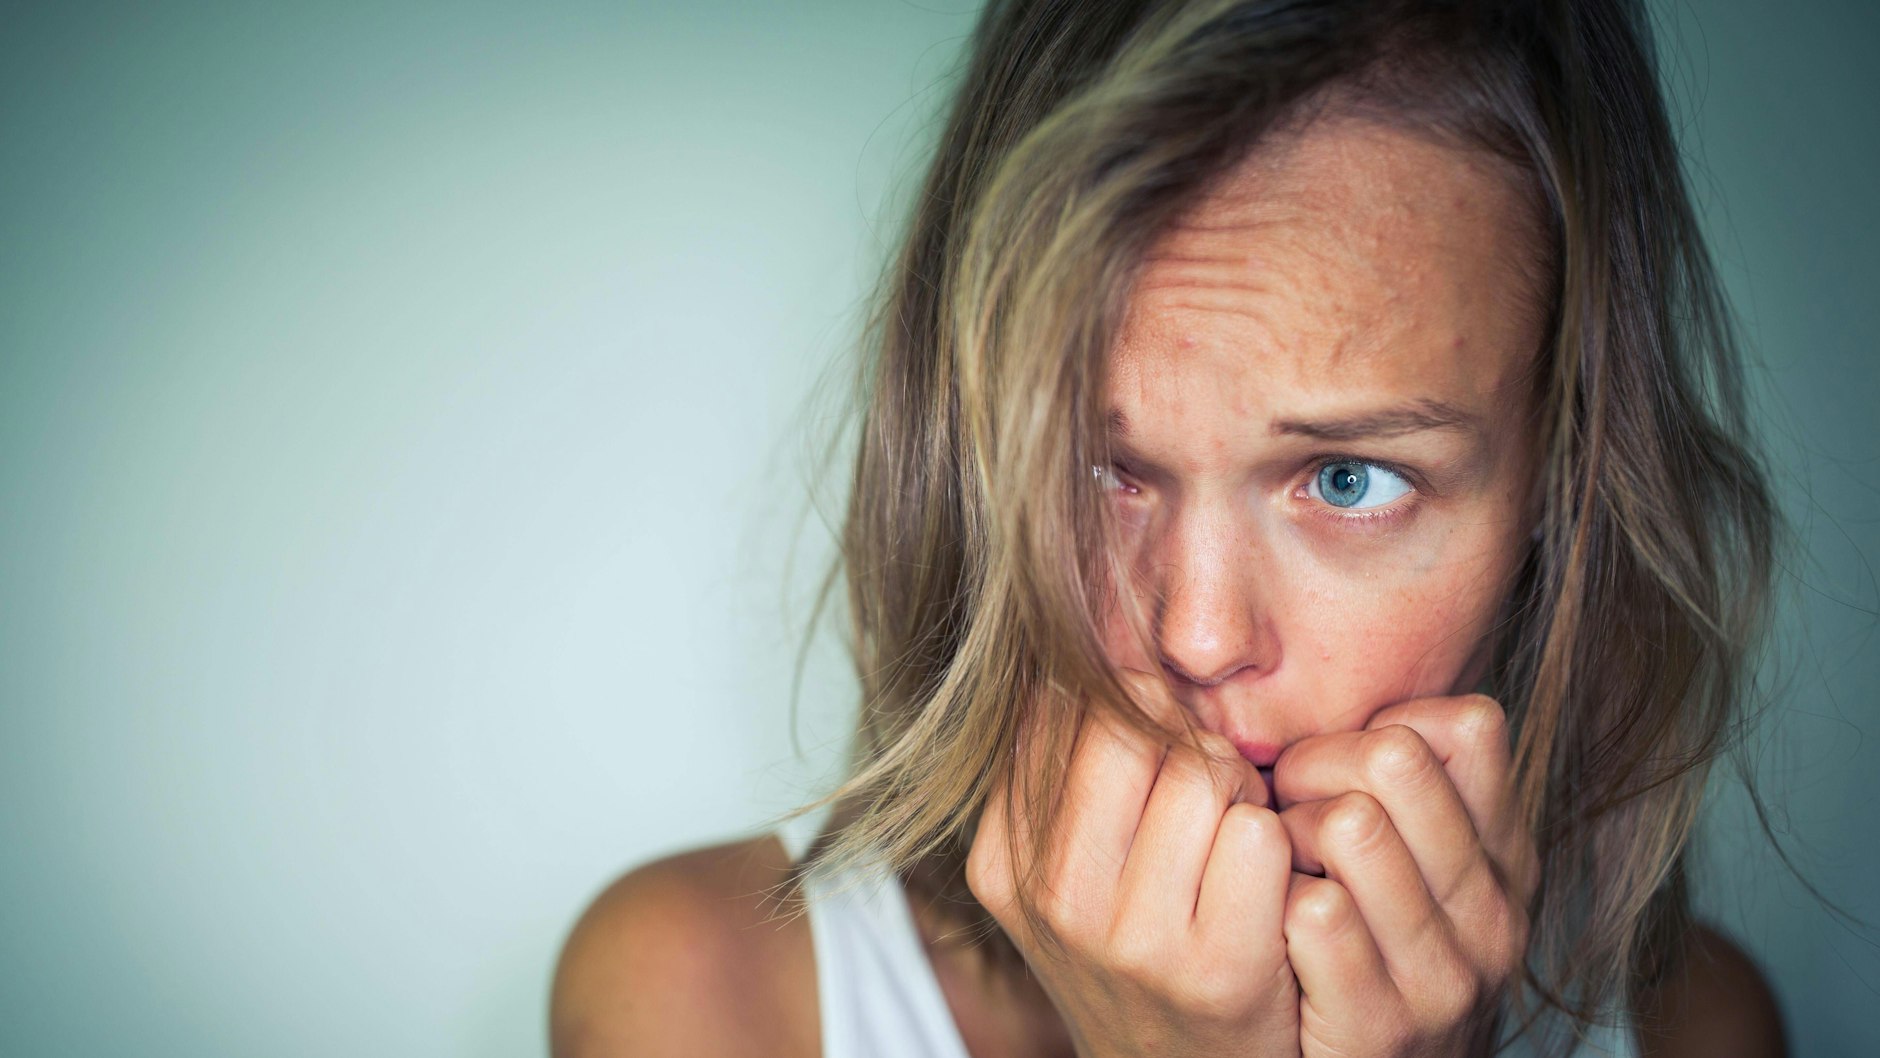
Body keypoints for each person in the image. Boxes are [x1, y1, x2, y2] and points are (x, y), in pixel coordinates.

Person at [550, 1, 1791, 1055]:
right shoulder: (704, 988)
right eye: (1098, 469)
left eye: (1349, 478)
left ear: (1557, 491)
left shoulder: (1693, 1022)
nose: (1198, 636)